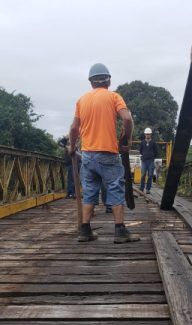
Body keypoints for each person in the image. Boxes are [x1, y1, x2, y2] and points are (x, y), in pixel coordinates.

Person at [68, 63, 140, 243]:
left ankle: (85, 230)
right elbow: (127, 118)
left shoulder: (81, 100)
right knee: (115, 187)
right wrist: (127, 138)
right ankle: (120, 231)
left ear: (91, 82)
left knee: (90, 190)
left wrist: (72, 146)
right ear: (108, 80)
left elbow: (74, 128)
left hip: (87, 154)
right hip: (108, 152)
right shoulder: (114, 97)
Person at [139, 128, 158, 194]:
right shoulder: (142, 142)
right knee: (143, 175)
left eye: (149, 134)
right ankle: (141, 189)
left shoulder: (154, 143)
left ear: (151, 134)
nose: (147, 135)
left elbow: (156, 152)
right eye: (146, 134)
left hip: (151, 161)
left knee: (150, 175)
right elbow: (141, 151)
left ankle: (148, 189)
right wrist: (144, 156)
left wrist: (152, 157)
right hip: (144, 161)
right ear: (145, 134)